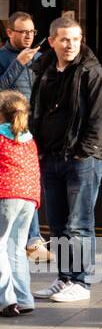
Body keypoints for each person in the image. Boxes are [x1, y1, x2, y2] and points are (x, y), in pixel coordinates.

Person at [29, 16, 102, 304]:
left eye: (76, 39)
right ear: (52, 41)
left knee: (80, 223)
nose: (71, 45)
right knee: (57, 223)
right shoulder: (44, 70)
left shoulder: (92, 73)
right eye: (65, 39)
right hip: (50, 157)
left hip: (81, 160)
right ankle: (65, 277)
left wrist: (84, 150)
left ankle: (82, 281)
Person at [0, 13, 47, 259]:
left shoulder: (40, 58)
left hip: (36, 128)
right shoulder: (3, 57)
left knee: (30, 184)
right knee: (19, 184)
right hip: (10, 133)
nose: (29, 36)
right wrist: (18, 62)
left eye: (32, 31)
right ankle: (33, 239)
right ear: (10, 32)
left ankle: (33, 239)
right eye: (23, 31)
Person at [0, 90, 41, 317]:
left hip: (5, 195)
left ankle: (5, 300)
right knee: (16, 247)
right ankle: (24, 298)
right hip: (28, 198)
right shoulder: (29, 140)